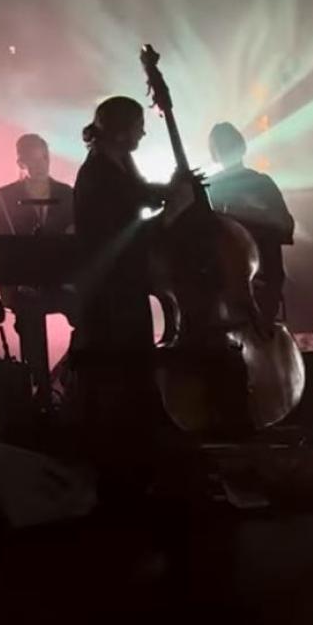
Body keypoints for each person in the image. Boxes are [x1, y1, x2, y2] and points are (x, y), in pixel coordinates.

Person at [72, 95, 193, 503]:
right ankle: (123, 482)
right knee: (123, 382)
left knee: (132, 378)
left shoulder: (117, 163)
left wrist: (173, 187)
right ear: (122, 129)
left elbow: (138, 194)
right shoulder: (97, 176)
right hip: (112, 295)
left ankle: (136, 472)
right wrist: (173, 213)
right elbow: (126, 236)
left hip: (124, 289)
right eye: (139, 125)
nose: (144, 131)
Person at [0, 133, 76, 406]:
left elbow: (78, 237)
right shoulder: (3, 196)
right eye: (33, 159)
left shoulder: (66, 193)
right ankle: (41, 388)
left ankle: (64, 374)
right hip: (22, 285)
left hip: (62, 281)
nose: (41, 164)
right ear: (21, 162)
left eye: (44, 157)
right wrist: (17, 280)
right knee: (29, 318)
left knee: (92, 316)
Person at [205, 122, 294, 323]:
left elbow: (286, 226)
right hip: (230, 273)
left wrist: (257, 214)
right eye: (222, 146)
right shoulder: (212, 185)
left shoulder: (260, 183)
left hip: (262, 270)